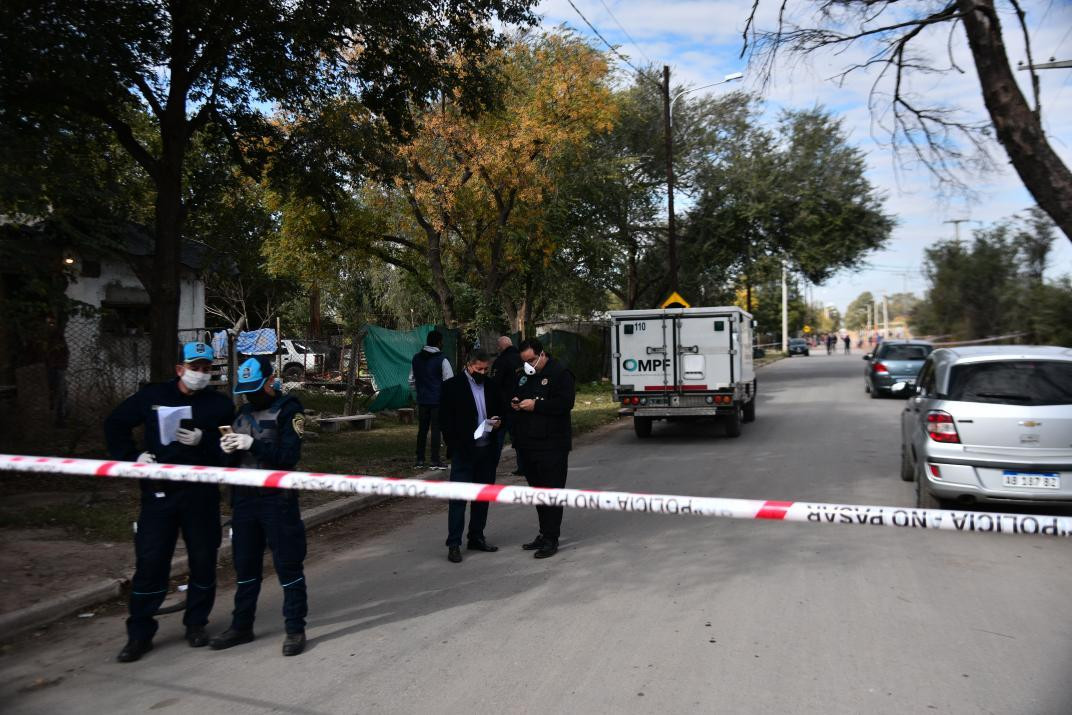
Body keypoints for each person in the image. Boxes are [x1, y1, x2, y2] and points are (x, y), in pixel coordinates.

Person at [104, 341, 234, 663]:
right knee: (151, 563)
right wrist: (132, 458)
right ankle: (139, 634)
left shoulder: (218, 405)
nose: (200, 374)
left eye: (206, 369)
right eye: (194, 368)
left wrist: (206, 442)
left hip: (201, 493)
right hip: (160, 493)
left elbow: (229, 452)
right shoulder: (153, 397)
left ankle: (196, 624)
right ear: (179, 369)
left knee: (203, 559)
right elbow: (115, 423)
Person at [210, 356, 309, 657]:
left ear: (270, 382)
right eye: (247, 390)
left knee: (288, 564)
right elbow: (230, 461)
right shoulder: (241, 414)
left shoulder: (289, 410)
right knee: (245, 565)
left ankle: (294, 628)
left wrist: (252, 444)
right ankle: (242, 626)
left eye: (256, 388)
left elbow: (289, 456)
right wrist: (227, 450)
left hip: (276, 500)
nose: (251, 396)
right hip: (244, 500)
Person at [511, 338, 575, 559]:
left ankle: (551, 538)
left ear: (542, 354)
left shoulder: (560, 373)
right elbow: (517, 392)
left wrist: (536, 405)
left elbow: (565, 404)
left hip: (552, 444)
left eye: (531, 360)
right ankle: (543, 532)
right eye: (524, 361)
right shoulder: (523, 374)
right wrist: (516, 401)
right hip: (528, 443)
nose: (529, 364)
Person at [438, 352, 504, 563]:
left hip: (487, 450)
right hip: (464, 451)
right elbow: (445, 422)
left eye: (486, 369)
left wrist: (499, 422)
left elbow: (501, 410)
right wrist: (455, 445)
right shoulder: (452, 386)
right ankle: (454, 543)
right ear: (468, 365)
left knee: (482, 497)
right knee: (459, 499)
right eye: (479, 369)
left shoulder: (491, 385)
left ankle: (476, 536)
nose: (482, 373)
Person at [409, 330, 453, 470]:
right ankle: (435, 460)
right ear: (439, 342)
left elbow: (411, 380)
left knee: (422, 430)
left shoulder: (416, 358)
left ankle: (420, 460)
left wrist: (420, 391)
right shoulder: (442, 359)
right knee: (436, 430)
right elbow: (449, 382)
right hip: (438, 401)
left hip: (422, 400)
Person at [489, 335, 523, 470]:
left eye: (498, 346)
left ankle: (491, 467)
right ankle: (523, 467)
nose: (497, 349)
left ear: (502, 346)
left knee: (497, 439)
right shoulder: (522, 359)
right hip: (520, 405)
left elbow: (494, 384)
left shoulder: (501, 361)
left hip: (503, 407)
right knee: (519, 438)